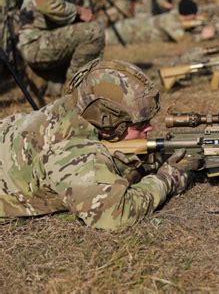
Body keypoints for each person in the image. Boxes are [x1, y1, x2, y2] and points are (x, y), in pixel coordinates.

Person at [0, 59, 191, 230]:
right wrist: (167, 180)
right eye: (140, 124)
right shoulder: (76, 152)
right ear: (108, 123)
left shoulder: (78, 106)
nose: (150, 128)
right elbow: (117, 215)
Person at [17, 0, 105, 96]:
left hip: (50, 39)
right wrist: (78, 11)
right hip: (36, 43)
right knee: (94, 32)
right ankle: (74, 93)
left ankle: (49, 81)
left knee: (90, 31)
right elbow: (48, 4)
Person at [105, 0, 215, 45]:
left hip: (129, 28)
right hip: (126, 31)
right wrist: (202, 37)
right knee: (99, 38)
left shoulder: (175, 16)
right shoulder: (170, 20)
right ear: (188, 15)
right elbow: (183, 40)